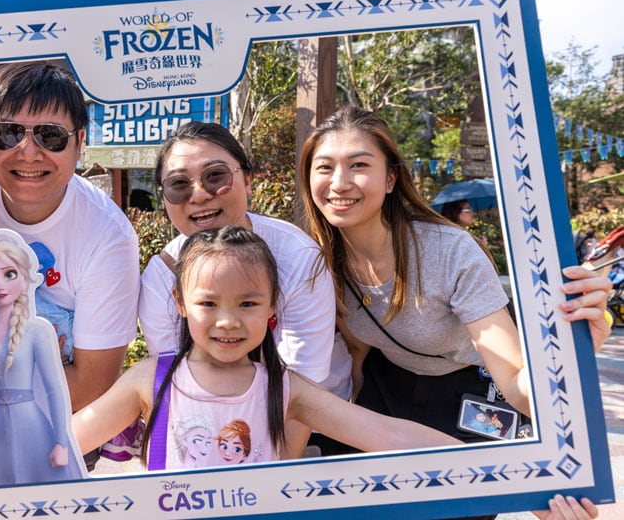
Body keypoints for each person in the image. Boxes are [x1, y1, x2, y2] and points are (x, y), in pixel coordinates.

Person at [296, 106, 613, 450]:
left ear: (390, 179)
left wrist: (569, 355)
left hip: (470, 394)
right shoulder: (316, 261)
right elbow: (357, 353)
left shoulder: (451, 252)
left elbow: (519, 389)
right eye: (324, 167)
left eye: (359, 165)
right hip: (387, 390)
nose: (339, 182)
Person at [73, 225, 463, 472]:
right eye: (208, 304)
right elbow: (68, 440)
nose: (228, 321)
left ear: (273, 304)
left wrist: (504, 467)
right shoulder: (152, 378)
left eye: (248, 304)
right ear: (179, 303)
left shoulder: (285, 387)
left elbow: (387, 435)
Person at [138, 121, 350, 458]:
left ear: (247, 180)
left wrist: (269, 488)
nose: (198, 194)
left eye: (216, 176)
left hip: (314, 428)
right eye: (179, 184)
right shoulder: (162, 276)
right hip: (216, 438)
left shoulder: (297, 259)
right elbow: (175, 384)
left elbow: (303, 384)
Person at [0, 62, 140, 413]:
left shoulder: (108, 236)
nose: (29, 153)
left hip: (54, 430)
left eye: (50, 135)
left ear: (79, 143)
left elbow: (92, 384)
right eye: (8, 133)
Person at [0, 229, 85, 485]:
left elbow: (54, 389)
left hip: (33, 430)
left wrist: (61, 441)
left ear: (24, 278)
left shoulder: (37, 330)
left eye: (9, 274)